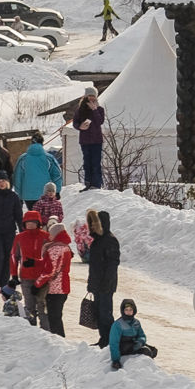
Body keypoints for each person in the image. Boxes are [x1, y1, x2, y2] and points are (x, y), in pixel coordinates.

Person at [86, 210, 121, 348]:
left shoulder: (110, 240)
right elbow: (93, 266)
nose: (93, 227)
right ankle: (103, 339)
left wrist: (106, 282)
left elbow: (113, 263)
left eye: (95, 224)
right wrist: (91, 283)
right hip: (97, 284)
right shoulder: (97, 241)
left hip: (106, 285)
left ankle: (109, 340)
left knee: (105, 314)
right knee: (99, 313)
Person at [34, 222, 74, 336]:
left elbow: (51, 270)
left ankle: (59, 341)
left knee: (54, 318)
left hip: (56, 288)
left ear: (56, 234)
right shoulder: (64, 246)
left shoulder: (56, 248)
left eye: (50, 233)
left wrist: (37, 284)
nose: (49, 236)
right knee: (56, 316)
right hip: (62, 287)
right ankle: (59, 340)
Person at [11, 210, 50, 324]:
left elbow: (51, 256)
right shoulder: (19, 238)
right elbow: (14, 256)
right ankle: (31, 331)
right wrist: (14, 274)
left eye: (33, 222)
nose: (30, 224)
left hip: (43, 277)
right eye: (28, 222)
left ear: (38, 223)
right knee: (29, 306)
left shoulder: (46, 237)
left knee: (42, 306)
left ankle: (45, 332)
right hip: (26, 276)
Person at [13, 130, 64, 207]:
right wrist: (57, 191)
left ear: (31, 143)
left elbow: (17, 178)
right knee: (45, 216)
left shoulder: (23, 159)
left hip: (28, 196)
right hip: (46, 194)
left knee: (34, 217)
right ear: (42, 143)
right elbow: (57, 175)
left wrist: (19, 196)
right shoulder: (49, 158)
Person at [72, 87, 106, 189]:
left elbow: (100, 121)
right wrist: (80, 126)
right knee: (87, 163)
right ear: (86, 97)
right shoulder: (80, 110)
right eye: (89, 96)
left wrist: (94, 110)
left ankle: (96, 184)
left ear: (96, 97)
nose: (91, 98)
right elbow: (75, 122)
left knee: (96, 162)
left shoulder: (100, 109)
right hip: (85, 140)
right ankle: (88, 184)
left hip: (96, 140)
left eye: (93, 96)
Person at [108, 300, 158, 369]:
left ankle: (150, 368)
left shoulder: (136, 322)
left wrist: (140, 342)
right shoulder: (118, 324)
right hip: (123, 347)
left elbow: (142, 335)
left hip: (134, 344)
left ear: (134, 310)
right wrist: (116, 360)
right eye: (126, 310)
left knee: (153, 350)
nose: (128, 312)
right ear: (123, 311)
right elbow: (114, 343)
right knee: (146, 351)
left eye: (130, 310)